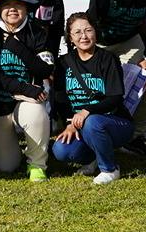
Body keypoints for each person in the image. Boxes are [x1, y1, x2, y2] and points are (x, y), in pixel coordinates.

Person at [0, 0, 56, 181]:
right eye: (6, 4)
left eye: (18, 4)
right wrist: (23, 89)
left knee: (37, 113)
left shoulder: (37, 31)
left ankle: (37, 164)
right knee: (6, 166)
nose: (12, 9)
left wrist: (14, 44)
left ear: (26, 8)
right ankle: (15, 149)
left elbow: (45, 68)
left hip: (27, 101)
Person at [50, 12, 135, 184]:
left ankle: (110, 169)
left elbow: (115, 98)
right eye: (77, 32)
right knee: (61, 150)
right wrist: (70, 123)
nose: (84, 36)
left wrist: (87, 111)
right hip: (79, 124)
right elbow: (60, 99)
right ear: (70, 38)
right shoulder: (63, 63)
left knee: (92, 122)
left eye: (88, 30)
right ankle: (94, 158)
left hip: (114, 122)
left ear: (95, 32)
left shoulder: (108, 59)